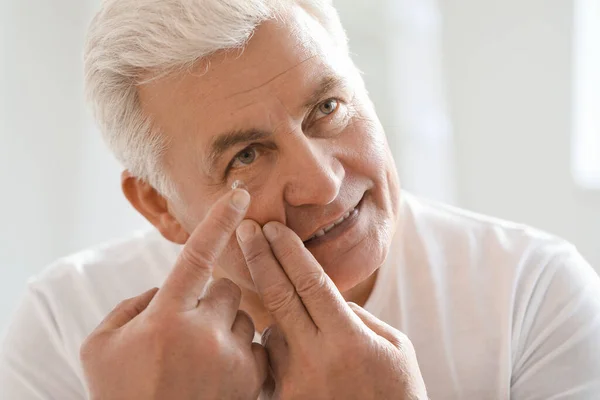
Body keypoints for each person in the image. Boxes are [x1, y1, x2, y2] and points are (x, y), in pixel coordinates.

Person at [2, 0, 600, 399]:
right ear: (160, 206)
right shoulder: (64, 325)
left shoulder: (532, 292)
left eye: (327, 108)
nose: (322, 183)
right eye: (245, 156)